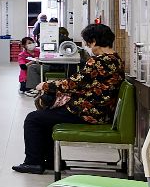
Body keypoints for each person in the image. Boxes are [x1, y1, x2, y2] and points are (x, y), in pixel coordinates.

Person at [15, 22, 123, 174]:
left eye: (87, 42)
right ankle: (51, 161)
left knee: (33, 119)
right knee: (45, 117)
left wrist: (46, 85)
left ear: (94, 41)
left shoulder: (99, 61)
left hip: (89, 112)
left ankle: (33, 162)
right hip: (101, 109)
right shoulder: (115, 59)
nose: (87, 46)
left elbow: (73, 83)